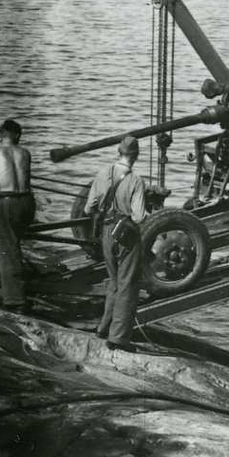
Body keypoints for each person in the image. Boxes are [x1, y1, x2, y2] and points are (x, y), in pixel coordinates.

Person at [85, 135, 149, 351]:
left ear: (118, 152)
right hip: (126, 235)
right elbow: (139, 217)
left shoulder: (103, 173)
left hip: (106, 232)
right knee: (127, 285)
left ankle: (103, 327)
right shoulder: (136, 181)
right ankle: (118, 338)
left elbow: (89, 208)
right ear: (136, 156)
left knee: (113, 281)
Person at [0, 119, 34, 312]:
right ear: (18, 136)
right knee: (13, 242)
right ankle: (5, 276)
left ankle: (15, 299)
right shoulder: (25, 153)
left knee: (9, 246)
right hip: (28, 202)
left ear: (0, 135)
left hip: (9, 202)